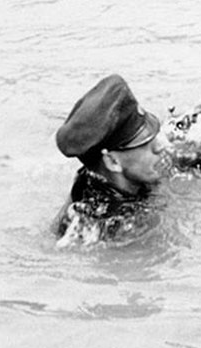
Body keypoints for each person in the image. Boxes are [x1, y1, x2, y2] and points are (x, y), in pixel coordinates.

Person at [53, 74, 168, 246]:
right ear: (112, 162)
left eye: (153, 136)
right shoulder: (105, 228)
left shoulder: (121, 173)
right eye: (145, 143)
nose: (160, 146)